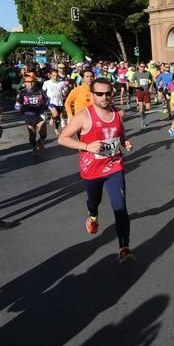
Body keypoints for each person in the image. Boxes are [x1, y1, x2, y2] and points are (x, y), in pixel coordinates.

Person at [58, 77, 136, 263]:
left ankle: (124, 248)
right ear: (92, 94)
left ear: (112, 93)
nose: (104, 97)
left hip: (114, 165)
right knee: (94, 200)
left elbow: (119, 132)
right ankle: (93, 215)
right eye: (99, 93)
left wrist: (125, 142)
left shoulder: (119, 113)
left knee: (120, 206)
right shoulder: (84, 116)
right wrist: (87, 146)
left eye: (107, 93)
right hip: (91, 169)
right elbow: (63, 138)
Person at [15, 76, 48, 155]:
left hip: (40, 114)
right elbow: (17, 105)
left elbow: (47, 101)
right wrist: (21, 108)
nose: (31, 83)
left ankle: (41, 140)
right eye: (29, 82)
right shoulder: (22, 93)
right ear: (25, 83)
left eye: (33, 81)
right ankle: (34, 148)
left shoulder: (40, 91)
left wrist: (45, 106)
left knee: (43, 132)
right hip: (29, 116)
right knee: (32, 135)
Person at [42, 68, 66, 136]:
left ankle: (56, 129)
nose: (55, 77)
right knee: (55, 114)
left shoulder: (61, 82)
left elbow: (65, 90)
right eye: (53, 75)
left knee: (58, 118)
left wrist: (65, 92)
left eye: (56, 75)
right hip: (51, 101)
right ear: (50, 75)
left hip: (59, 101)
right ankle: (52, 119)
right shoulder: (46, 82)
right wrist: (46, 98)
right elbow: (43, 91)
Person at [130, 63, 153, 128]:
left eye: (144, 66)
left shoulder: (148, 73)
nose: (143, 67)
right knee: (141, 107)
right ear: (139, 67)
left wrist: (151, 87)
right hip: (139, 91)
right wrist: (135, 85)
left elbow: (152, 80)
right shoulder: (136, 74)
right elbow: (130, 83)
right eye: (141, 66)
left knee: (148, 107)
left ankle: (143, 113)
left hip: (146, 91)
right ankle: (143, 120)